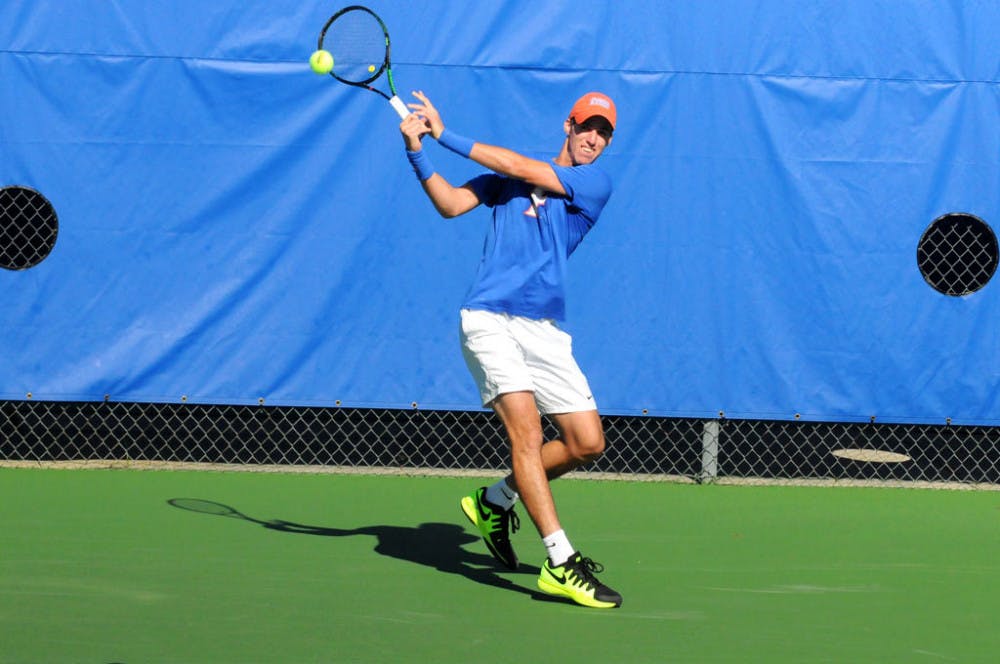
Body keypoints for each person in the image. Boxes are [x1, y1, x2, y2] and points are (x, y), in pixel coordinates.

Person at [399, 90, 621, 609]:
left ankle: (495, 499)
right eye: (587, 127)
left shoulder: (592, 184)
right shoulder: (505, 181)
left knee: (587, 442)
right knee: (527, 432)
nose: (594, 139)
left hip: (543, 327)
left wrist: (443, 132)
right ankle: (560, 562)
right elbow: (452, 204)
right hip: (488, 320)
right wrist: (417, 151)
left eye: (604, 133)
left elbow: (524, 166)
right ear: (568, 125)